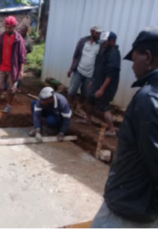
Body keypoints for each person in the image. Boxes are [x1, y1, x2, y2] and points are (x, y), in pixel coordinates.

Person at [90, 27, 158, 229]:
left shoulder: (149, 99)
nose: (132, 66)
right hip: (146, 207)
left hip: (128, 208)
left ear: (147, 56)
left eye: (135, 59)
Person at [77, 31, 120, 137]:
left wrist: (102, 89)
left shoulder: (114, 54)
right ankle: (88, 119)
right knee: (89, 101)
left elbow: (111, 74)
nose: (103, 44)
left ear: (112, 41)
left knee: (104, 106)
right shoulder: (105, 51)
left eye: (105, 42)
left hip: (106, 87)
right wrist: (94, 81)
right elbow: (99, 69)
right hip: (98, 83)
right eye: (103, 42)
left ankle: (112, 130)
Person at [0, 16, 26, 114]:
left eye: (10, 28)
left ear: (14, 26)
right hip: (2, 66)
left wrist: (21, 70)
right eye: (6, 27)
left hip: (13, 68)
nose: (8, 29)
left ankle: (8, 105)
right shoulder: (1, 36)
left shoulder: (19, 39)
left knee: (12, 88)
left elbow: (22, 56)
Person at [67, 26, 102, 110]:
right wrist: (71, 69)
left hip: (90, 74)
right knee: (72, 90)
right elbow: (75, 56)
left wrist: (96, 76)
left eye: (100, 33)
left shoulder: (100, 45)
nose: (99, 35)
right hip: (78, 70)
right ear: (92, 32)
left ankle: (79, 106)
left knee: (85, 93)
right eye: (97, 33)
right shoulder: (82, 41)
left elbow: (100, 61)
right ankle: (69, 106)